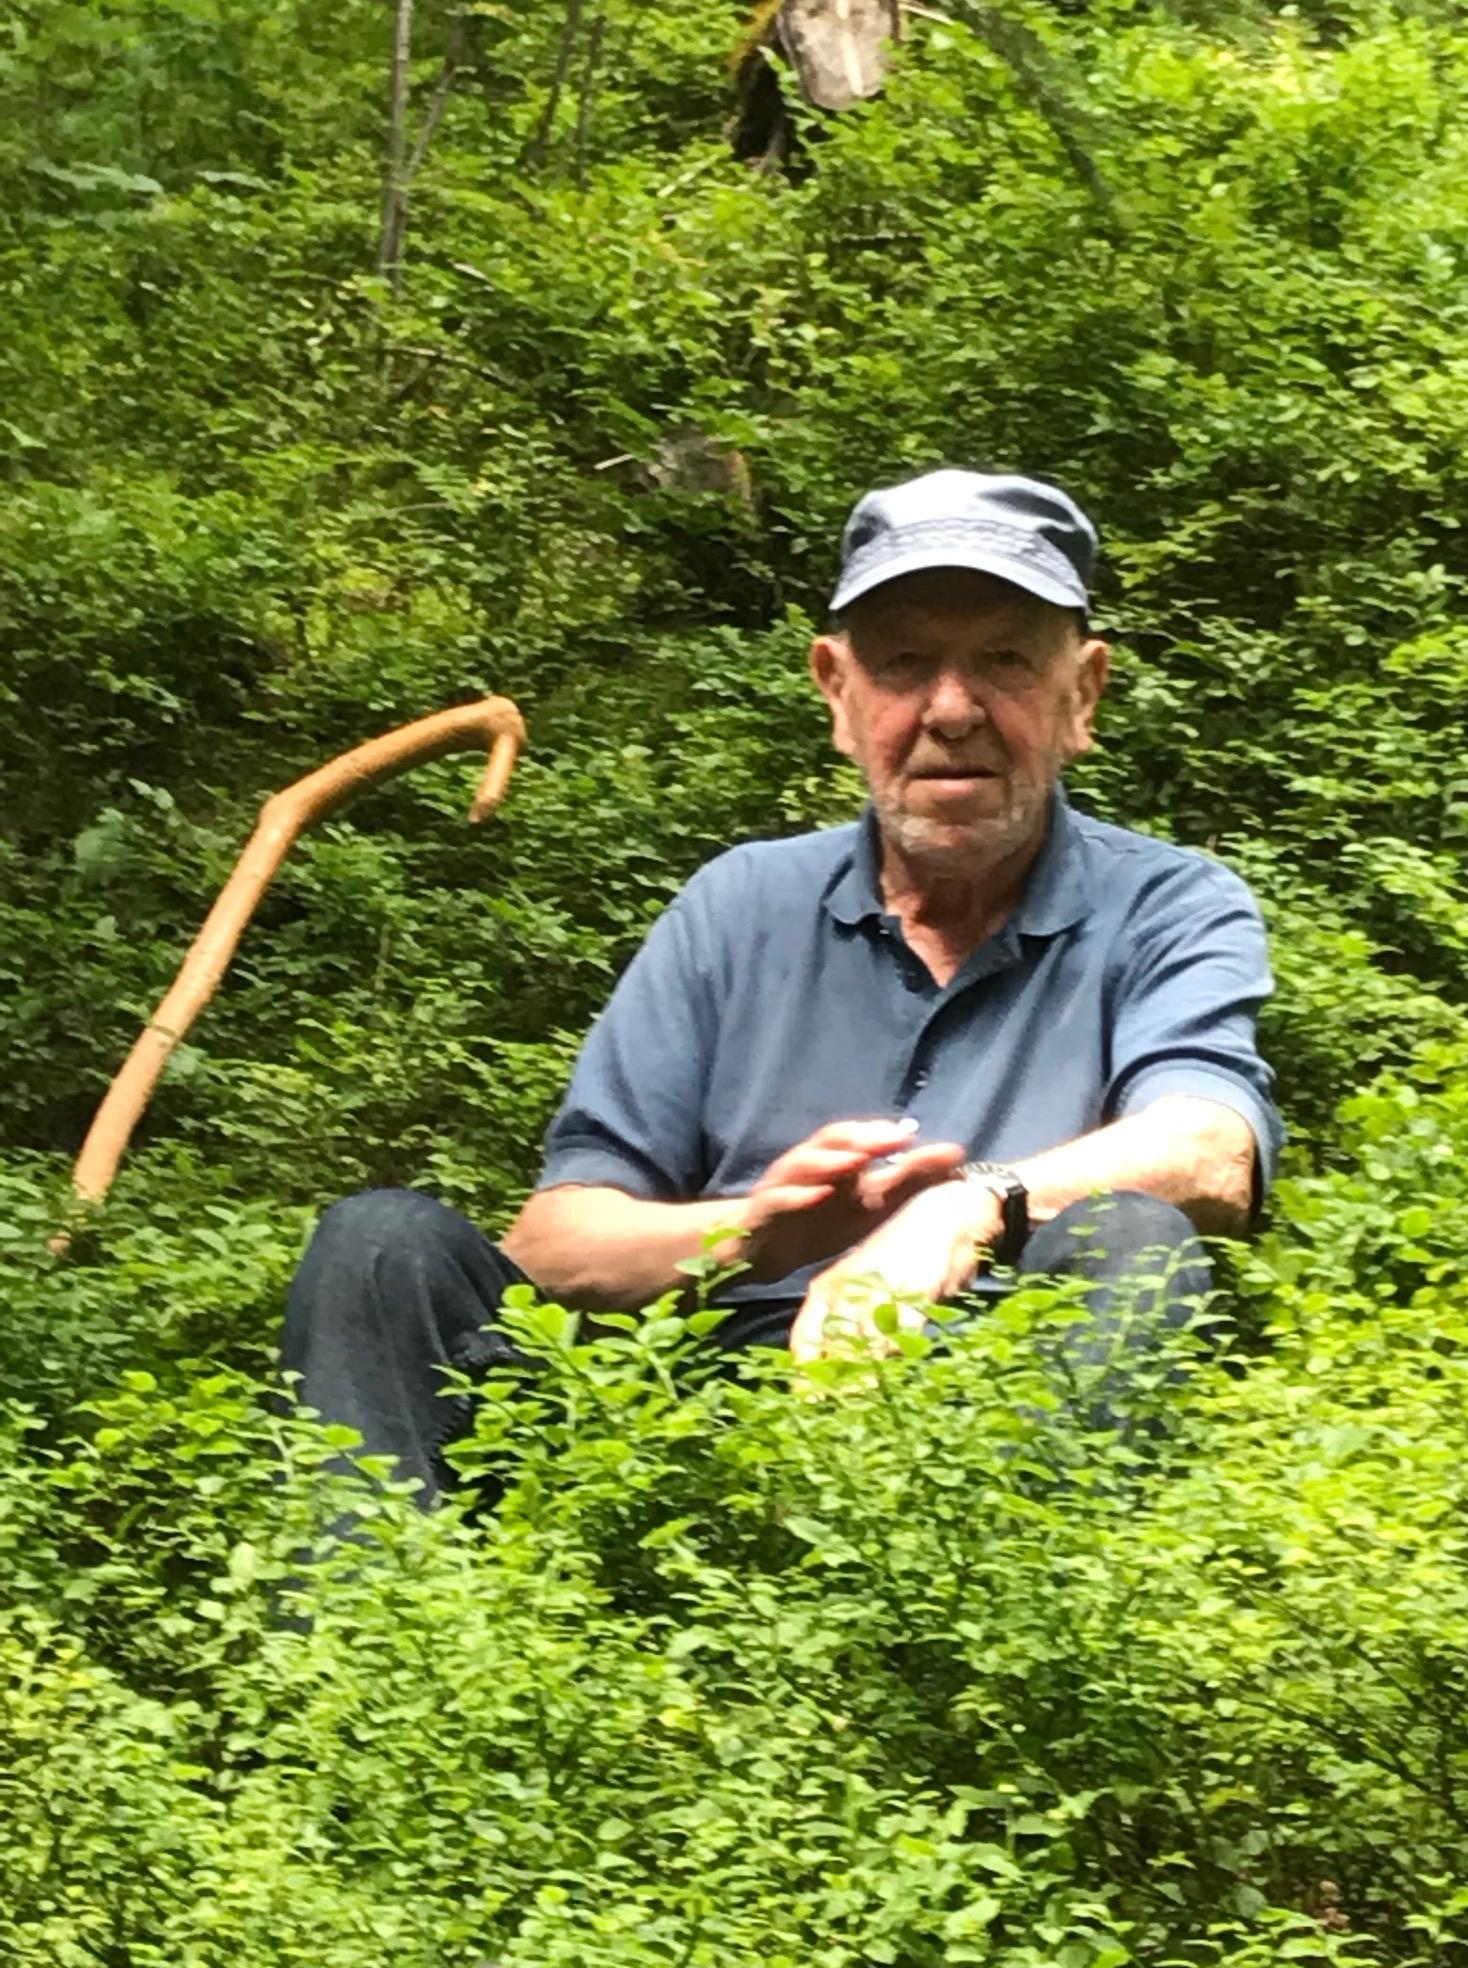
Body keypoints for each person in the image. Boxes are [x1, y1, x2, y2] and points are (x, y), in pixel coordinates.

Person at [282, 469, 1282, 1497]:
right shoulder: (739, 904)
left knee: (1133, 1235)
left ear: (1083, 695)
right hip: (681, 1433)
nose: (951, 710)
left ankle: (1045, 1582)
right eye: (903, 663)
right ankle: (368, 1595)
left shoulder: (1166, 903)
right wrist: (748, 1234)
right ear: (838, 693)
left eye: (1006, 661)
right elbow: (553, 1249)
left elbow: (1211, 1152)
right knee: (380, 1245)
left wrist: (970, 1208)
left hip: (996, 1406)